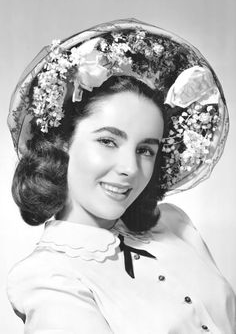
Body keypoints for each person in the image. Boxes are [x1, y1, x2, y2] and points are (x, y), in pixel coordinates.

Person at [7, 18, 236, 333]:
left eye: (145, 149)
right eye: (107, 141)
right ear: (62, 143)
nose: (130, 167)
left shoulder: (173, 222)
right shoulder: (47, 277)